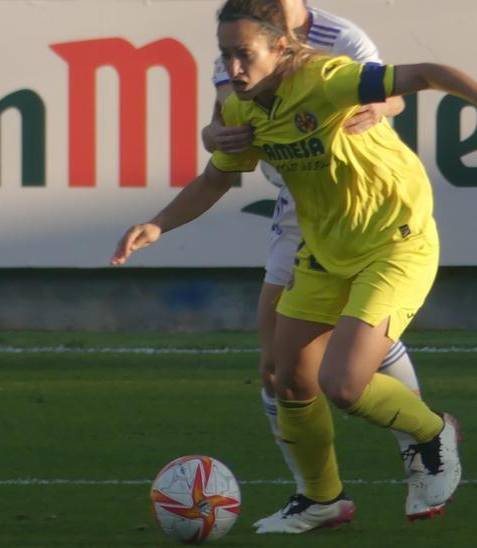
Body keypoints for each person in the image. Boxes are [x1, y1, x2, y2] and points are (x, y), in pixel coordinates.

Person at [112, 0, 477, 534]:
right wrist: (158, 224)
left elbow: (421, 75)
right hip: (323, 246)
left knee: (345, 385)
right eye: (226, 55)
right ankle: (322, 500)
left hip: (393, 240)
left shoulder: (328, 77)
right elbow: (215, 178)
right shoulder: (242, 108)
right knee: (289, 380)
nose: (233, 68)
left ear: (280, 48)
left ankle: (432, 432)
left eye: (245, 55)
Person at [197, 0, 440, 525]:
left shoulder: (340, 37)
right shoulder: (240, 40)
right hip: (297, 210)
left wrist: (374, 108)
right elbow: (223, 124)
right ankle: (321, 498)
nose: (235, 64)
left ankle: (420, 438)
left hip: (358, 204)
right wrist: (214, 137)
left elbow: (391, 93)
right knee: (279, 370)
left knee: (351, 360)